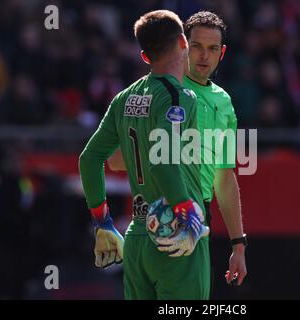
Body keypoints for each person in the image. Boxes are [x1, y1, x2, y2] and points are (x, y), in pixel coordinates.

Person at [108, 11, 247, 288]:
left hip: (194, 223)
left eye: (212, 49)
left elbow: (224, 176)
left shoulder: (224, 102)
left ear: (223, 52)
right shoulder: (161, 91)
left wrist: (238, 244)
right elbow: (116, 161)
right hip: (159, 215)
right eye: (196, 46)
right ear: (182, 43)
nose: (203, 56)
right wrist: (168, 154)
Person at [79, 10, 210, 300]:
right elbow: (160, 162)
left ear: (145, 56)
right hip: (175, 237)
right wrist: (187, 213)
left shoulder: (124, 98)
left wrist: (103, 223)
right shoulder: (180, 97)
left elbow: (90, 159)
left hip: (138, 238)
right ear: (183, 43)